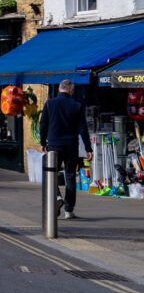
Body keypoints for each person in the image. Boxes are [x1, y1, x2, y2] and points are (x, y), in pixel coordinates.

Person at [39, 79, 93, 219]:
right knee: (70, 176)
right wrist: (88, 148)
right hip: (70, 145)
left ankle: (56, 197)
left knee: (51, 174)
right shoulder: (76, 105)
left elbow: (43, 124)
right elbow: (83, 128)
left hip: (53, 144)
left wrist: (42, 142)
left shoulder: (49, 103)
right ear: (70, 90)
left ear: (59, 89)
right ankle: (68, 210)